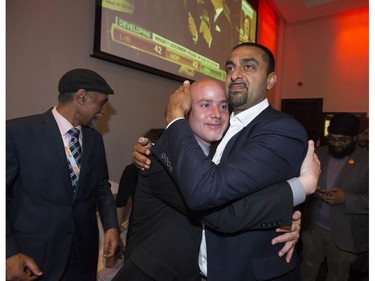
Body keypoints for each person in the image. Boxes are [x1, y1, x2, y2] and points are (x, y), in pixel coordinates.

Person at [133, 42, 317, 280]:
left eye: (249, 66)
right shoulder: (217, 130)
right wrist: (301, 188)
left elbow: (212, 198)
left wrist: (175, 118)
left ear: (271, 81)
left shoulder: (281, 129)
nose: (236, 74)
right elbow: (217, 201)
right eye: (230, 68)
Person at [6, 68, 120, 281]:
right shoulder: (17, 133)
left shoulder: (95, 140)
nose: (103, 110)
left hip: (82, 256)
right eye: (102, 102)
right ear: (81, 96)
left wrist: (111, 226)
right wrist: (8, 252)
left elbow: (101, 187)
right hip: (34, 257)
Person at [300, 113, 369, 281]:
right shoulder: (318, 154)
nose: (336, 144)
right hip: (313, 228)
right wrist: (312, 191)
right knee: (307, 268)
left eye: (342, 140)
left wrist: (347, 198)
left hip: (346, 234)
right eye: (332, 138)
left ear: (354, 137)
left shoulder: (367, 160)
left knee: (337, 274)